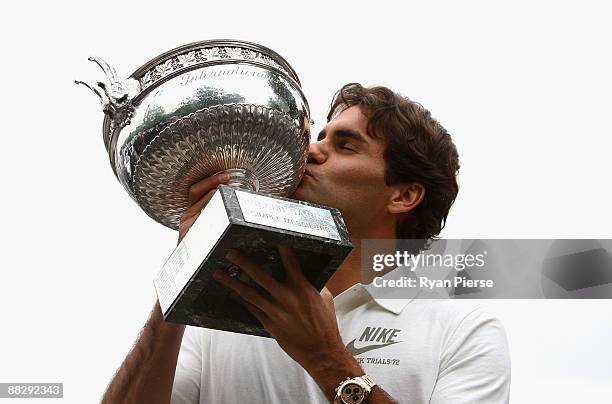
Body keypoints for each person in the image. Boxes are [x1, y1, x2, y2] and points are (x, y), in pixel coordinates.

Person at [100, 83, 511, 404]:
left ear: (403, 196)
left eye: (345, 146)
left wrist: (327, 359)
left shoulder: (463, 329)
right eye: (320, 137)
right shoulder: (227, 304)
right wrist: (187, 270)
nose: (312, 151)